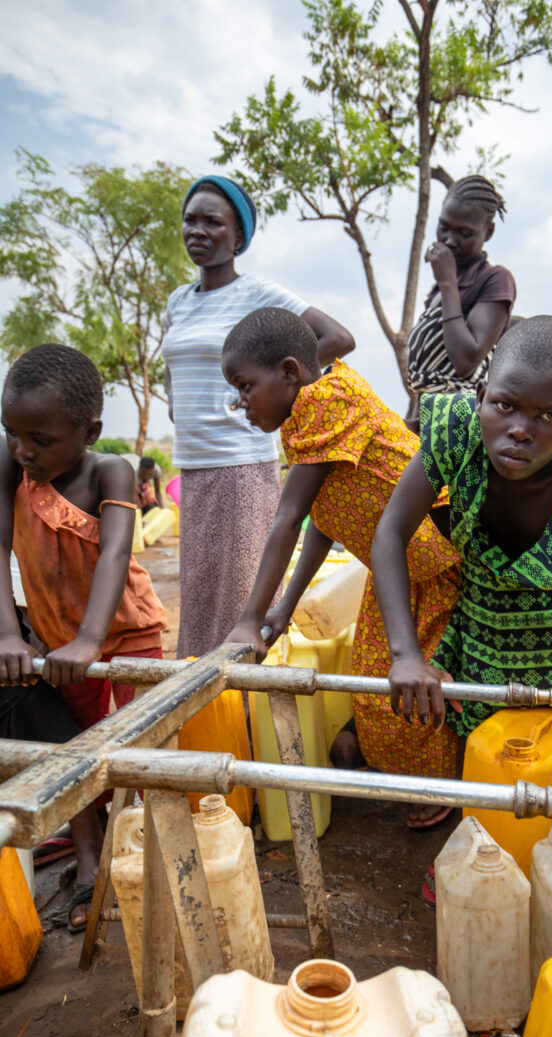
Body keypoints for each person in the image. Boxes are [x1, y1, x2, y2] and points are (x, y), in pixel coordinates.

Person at [372, 316, 552, 797]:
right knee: (477, 782)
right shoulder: (457, 432)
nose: (520, 430)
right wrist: (406, 654)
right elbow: (391, 531)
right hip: (480, 641)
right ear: (482, 397)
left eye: (548, 417)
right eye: (505, 406)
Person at [222, 307, 462, 822]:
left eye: (245, 386)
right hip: (396, 565)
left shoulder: (324, 403)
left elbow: (287, 518)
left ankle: (442, 788)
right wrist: (284, 605)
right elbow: (322, 520)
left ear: (289, 372)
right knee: (373, 679)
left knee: (426, 677)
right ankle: (404, 773)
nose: (240, 403)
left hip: (438, 559)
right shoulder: (310, 408)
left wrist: (247, 620)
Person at [0, 344, 167, 930]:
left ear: (89, 430)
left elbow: (117, 551)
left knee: (144, 750)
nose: (24, 450)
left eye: (40, 440)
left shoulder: (110, 471)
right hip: (59, 642)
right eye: (12, 432)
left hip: (124, 630)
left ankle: (158, 851)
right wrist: (9, 637)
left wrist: (92, 639)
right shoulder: (10, 465)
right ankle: (93, 861)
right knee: (85, 751)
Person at [162, 174, 355, 657]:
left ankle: (241, 717)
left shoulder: (257, 293)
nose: (198, 230)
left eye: (213, 221)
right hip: (194, 466)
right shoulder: (177, 303)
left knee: (237, 610)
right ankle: (207, 716)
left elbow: (336, 337)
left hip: (241, 466)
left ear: (239, 236)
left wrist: (262, 394)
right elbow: (174, 372)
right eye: (191, 220)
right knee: (202, 603)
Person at [405, 176, 516, 432]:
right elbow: (424, 380)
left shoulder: (495, 280)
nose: (450, 240)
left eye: (464, 233)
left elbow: (466, 361)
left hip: (460, 428)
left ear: (488, 232)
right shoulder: (438, 293)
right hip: (427, 426)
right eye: (443, 227)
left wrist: (447, 284)